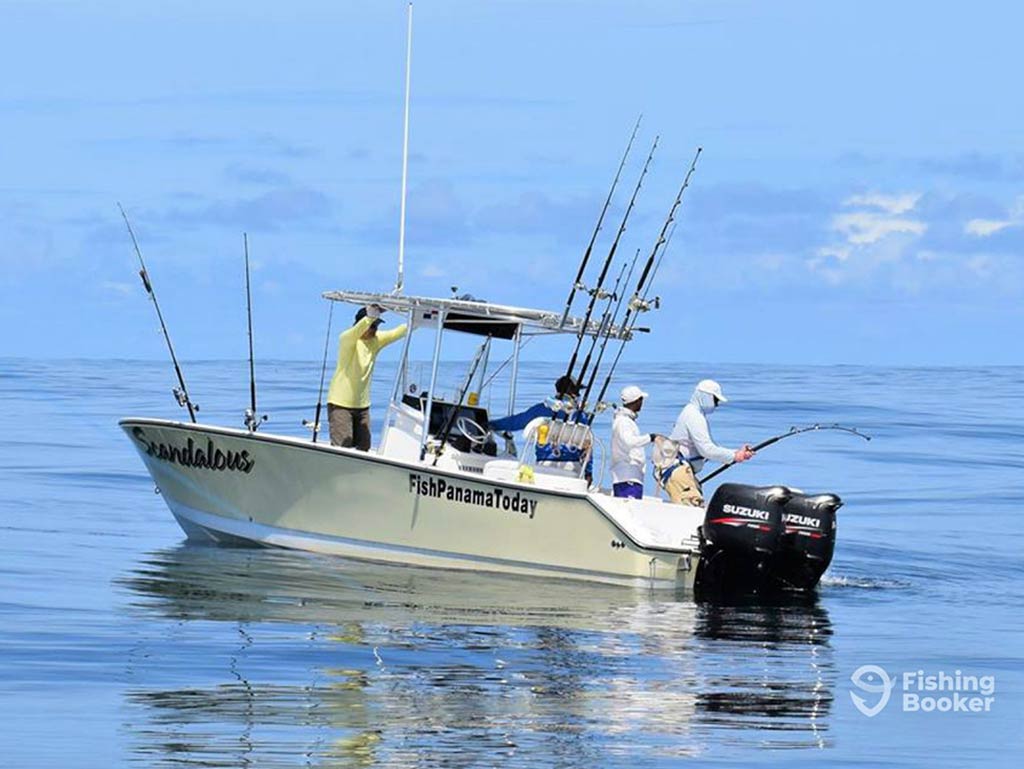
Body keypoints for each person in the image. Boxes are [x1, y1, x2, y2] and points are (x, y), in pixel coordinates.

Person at [327, 304, 408, 450]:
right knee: (343, 446)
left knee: (364, 446)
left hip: (362, 407)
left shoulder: (375, 341)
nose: (375, 330)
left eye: (377, 326)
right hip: (340, 405)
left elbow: (398, 332)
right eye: (372, 326)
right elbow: (355, 331)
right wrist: (370, 317)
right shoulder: (348, 339)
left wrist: (418, 318)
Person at [662, 379, 754, 506]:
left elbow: (710, 447)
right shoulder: (694, 417)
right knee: (692, 508)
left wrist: (737, 453)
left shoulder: (694, 413)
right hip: (678, 472)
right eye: (715, 400)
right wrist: (734, 456)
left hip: (682, 471)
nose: (717, 404)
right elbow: (706, 450)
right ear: (705, 396)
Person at [490, 375, 593, 479]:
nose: (579, 395)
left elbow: (515, 422)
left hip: (544, 466)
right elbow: (588, 446)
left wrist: (491, 425)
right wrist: (588, 472)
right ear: (572, 393)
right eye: (577, 392)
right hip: (574, 469)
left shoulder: (541, 410)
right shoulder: (581, 416)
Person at [610, 384, 658, 499]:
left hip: (631, 475)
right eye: (641, 399)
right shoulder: (623, 422)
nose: (642, 402)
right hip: (627, 476)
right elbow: (629, 442)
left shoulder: (626, 420)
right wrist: (650, 437)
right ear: (636, 401)